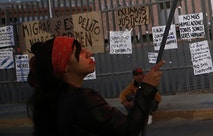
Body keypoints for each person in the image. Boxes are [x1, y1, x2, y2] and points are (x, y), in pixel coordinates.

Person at [27, 36, 164, 135]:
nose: (89, 52)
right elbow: (128, 129)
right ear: (64, 66)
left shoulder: (52, 101)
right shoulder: (81, 100)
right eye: (79, 52)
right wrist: (147, 87)